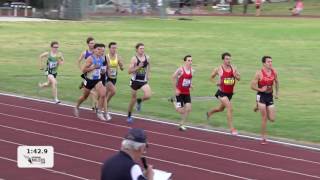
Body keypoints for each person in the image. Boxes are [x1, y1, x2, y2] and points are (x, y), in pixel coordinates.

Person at [206, 52, 240, 135]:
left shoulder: (234, 68)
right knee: (230, 108)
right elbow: (211, 77)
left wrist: (236, 76)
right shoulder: (218, 69)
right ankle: (232, 129)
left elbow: (239, 78)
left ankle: (209, 113)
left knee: (220, 109)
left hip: (230, 93)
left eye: (229, 59)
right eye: (227, 59)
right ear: (223, 60)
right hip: (222, 92)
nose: (229, 60)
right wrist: (216, 83)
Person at [74, 43, 107, 121]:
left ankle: (99, 112)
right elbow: (84, 70)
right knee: (85, 97)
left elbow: (101, 70)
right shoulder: (90, 58)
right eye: (98, 49)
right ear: (94, 50)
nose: (100, 51)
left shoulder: (102, 58)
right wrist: (93, 67)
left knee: (103, 94)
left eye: (102, 50)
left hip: (97, 80)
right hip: (89, 80)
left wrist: (103, 71)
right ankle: (77, 106)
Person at [251, 56, 279, 144]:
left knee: (272, 119)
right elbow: (252, 86)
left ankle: (257, 106)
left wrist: (277, 93)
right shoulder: (259, 73)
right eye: (268, 62)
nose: (270, 63)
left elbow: (277, 82)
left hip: (269, 96)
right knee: (264, 118)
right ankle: (263, 138)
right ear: (264, 63)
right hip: (261, 96)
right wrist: (261, 90)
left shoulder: (274, 72)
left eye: (271, 61)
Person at [127, 43, 152, 123]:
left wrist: (148, 74)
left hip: (143, 81)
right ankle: (129, 115)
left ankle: (140, 101)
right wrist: (138, 67)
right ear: (137, 49)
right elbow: (129, 71)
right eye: (140, 48)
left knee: (148, 95)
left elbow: (148, 65)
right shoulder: (134, 59)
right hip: (134, 81)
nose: (142, 50)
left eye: (143, 48)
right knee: (133, 99)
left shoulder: (147, 57)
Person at [170, 55, 193, 131]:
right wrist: (175, 89)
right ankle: (173, 101)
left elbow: (189, 79)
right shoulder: (180, 69)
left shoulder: (192, 70)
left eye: (191, 60)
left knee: (189, 109)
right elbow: (173, 77)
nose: (190, 62)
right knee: (181, 111)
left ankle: (182, 124)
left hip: (187, 92)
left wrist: (190, 85)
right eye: (188, 60)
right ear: (185, 61)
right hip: (179, 92)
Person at [104, 42, 124, 120]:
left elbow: (122, 67)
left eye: (115, 48)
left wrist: (121, 66)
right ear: (109, 48)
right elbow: (104, 67)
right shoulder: (106, 57)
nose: (114, 49)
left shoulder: (118, 57)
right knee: (113, 91)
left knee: (104, 95)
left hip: (114, 78)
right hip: (106, 78)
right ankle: (106, 108)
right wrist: (107, 71)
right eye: (113, 48)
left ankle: (99, 107)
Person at [77, 37, 98, 111]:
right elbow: (79, 61)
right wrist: (81, 69)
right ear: (88, 44)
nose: (93, 44)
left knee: (94, 89)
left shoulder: (96, 52)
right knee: (92, 90)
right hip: (87, 73)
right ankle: (95, 105)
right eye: (91, 43)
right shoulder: (85, 53)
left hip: (95, 73)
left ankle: (93, 106)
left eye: (93, 43)